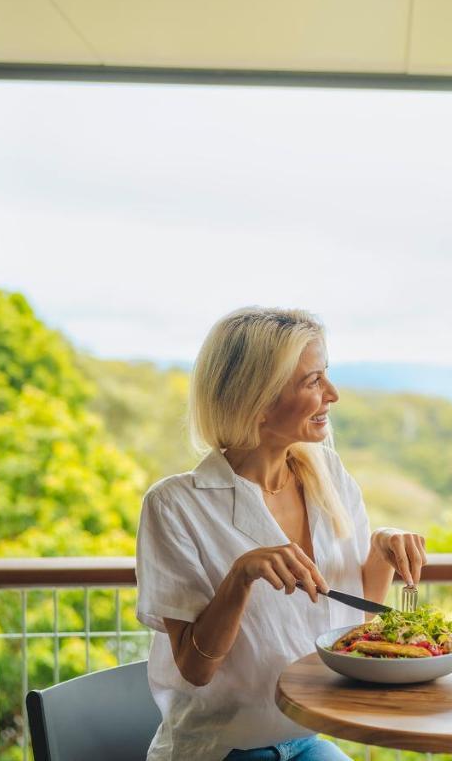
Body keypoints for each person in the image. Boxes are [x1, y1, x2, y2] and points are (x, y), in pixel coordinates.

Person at [135, 307, 427, 761]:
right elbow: (195, 669)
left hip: (307, 739)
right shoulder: (174, 505)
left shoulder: (327, 475)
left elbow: (357, 625)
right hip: (221, 749)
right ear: (259, 399)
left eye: (325, 376)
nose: (332, 394)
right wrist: (240, 577)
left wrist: (380, 549)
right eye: (313, 382)